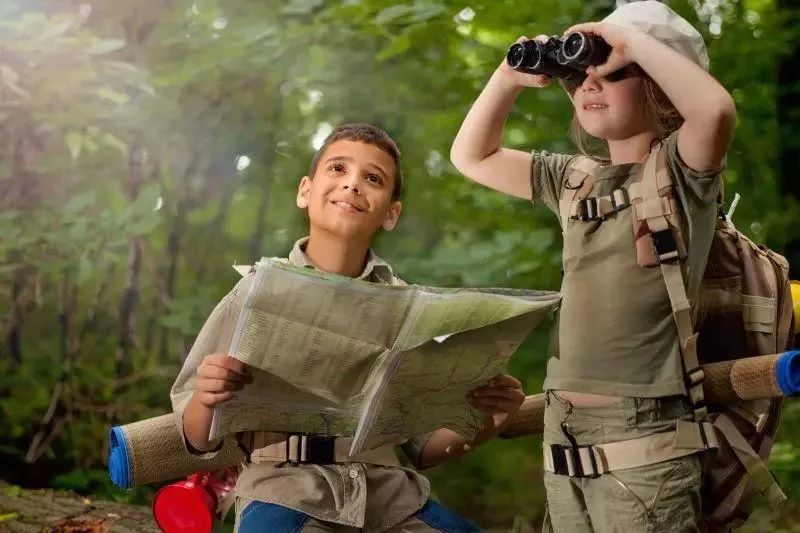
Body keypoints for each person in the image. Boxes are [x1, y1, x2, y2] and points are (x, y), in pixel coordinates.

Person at [450, 2, 736, 531]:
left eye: (612, 72)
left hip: (647, 441)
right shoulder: (571, 179)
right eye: (579, 74)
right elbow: (472, 157)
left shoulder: (682, 171)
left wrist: (625, 41)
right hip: (563, 437)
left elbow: (714, 111)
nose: (589, 83)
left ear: (663, 88)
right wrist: (507, 77)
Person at [171, 123, 526, 532]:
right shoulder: (255, 293)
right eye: (338, 169)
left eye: (373, 178)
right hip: (285, 492)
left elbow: (426, 449)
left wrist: (489, 418)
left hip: (392, 499)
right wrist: (207, 396)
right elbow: (196, 439)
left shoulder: (408, 309)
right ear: (306, 190)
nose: (353, 184)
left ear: (391, 213)